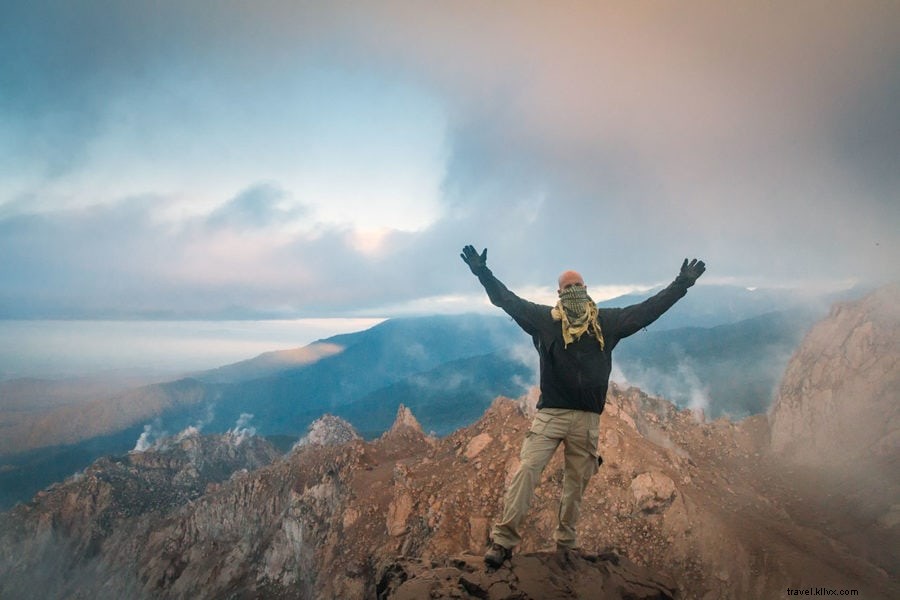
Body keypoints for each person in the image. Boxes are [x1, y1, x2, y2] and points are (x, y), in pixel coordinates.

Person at [459, 244, 705, 568]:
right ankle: (503, 542)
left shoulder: (606, 322)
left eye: (578, 286)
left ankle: (566, 545)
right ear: (558, 294)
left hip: (588, 420)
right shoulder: (544, 321)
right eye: (568, 287)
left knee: (575, 486)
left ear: (586, 289)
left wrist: (681, 284)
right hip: (550, 415)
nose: (573, 291)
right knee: (527, 471)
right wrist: (483, 273)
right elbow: (507, 300)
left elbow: (648, 310)